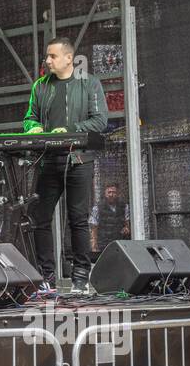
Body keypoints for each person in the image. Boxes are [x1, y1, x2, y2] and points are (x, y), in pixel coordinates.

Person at [23, 36, 108, 289]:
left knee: (78, 220)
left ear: (69, 58)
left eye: (52, 56)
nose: (48, 60)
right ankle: (46, 278)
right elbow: (30, 118)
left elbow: (100, 120)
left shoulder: (90, 83)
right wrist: (34, 127)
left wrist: (69, 130)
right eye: (47, 56)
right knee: (39, 217)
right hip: (48, 161)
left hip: (79, 160)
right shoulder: (40, 86)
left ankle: (80, 278)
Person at [90, 182, 130, 257]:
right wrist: (94, 246)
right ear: (105, 193)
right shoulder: (97, 208)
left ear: (118, 194)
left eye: (114, 192)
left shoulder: (124, 207)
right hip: (103, 244)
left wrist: (126, 228)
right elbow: (94, 228)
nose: (111, 195)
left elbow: (127, 224)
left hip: (119, 243)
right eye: (109, 192)